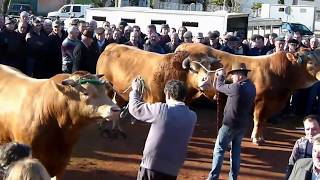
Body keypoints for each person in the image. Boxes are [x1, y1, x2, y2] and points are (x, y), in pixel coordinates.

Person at [128, 79, 197, 180]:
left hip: (152, 166)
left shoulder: (162, 110)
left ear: (168, 94)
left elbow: (135, 108)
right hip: (173, 169)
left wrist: (135, 90)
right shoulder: (192, 116)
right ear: (184, 96)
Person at [207, 62, 256, 180]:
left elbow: (219, 86)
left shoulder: (236, 87)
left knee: (219, 150)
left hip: (229, 125)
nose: (232, 77)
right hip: (242, 125)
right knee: (236, 152)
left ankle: (213, 178)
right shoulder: (251, 86)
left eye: (233, 75)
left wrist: (220, 75)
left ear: (239, 75)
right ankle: (233, 178)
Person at [285, 115, 320, 179]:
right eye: (307, 129)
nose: (310, 132)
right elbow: (291, 164)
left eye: (314, 129)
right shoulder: (300, 143)